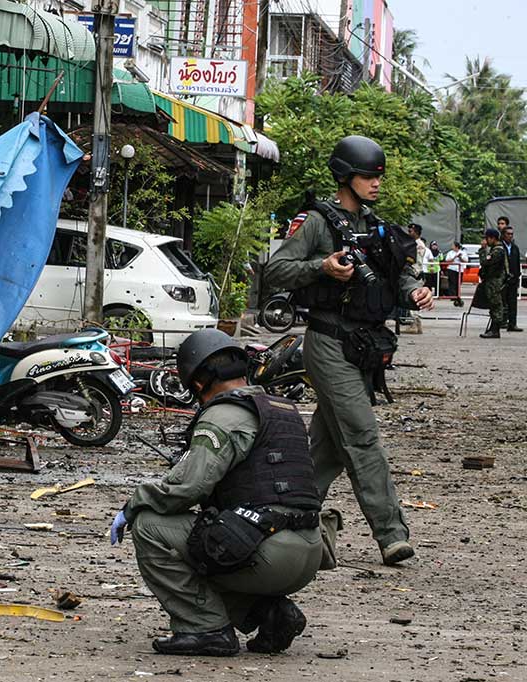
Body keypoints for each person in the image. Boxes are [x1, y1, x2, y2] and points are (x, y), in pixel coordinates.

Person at [264, 135, 433, 566]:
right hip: (328, 343)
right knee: (361, 436)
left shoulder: (377, 225)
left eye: (378, 177)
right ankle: (391, 534)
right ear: (345, 177)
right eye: (367, 176)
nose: (376, 183)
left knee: (326, 449)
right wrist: (320, 267)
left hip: (363, 349)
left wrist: (415, 291)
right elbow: (276, 270)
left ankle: (282, 520)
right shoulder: (316, 222)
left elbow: (397, 274)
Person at [110, 330, 322, 657]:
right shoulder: (281, 408)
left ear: (197, 384)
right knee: (213, 537)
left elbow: (188, 487)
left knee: (151, 527)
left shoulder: (223, 415)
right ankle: (269, 614)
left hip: (271, 554)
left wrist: (133, 505)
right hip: (309, 549)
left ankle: (205, 629)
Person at [476, 228, 508, 339]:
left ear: (492, 238)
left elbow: (485, 262)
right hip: (492, 281)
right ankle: (493, 329)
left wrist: (482, 250)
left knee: (496, 305)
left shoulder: (497, 251)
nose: (485, 241)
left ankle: (495, 330)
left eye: (487, 238)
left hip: (494, 282)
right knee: (493, 305)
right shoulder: (495, 249)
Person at [500, 222, 522, 332]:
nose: (510, 236)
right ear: (503, 235)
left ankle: (512, 324)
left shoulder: (515, 248)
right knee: (502, 302)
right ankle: (502, 322)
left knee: (513, 302)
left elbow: (517, 263)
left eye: (511, 234)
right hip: (502, 279)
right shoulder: (500, 247)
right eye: (508, 234)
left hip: (513, 279)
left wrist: (517, 276)